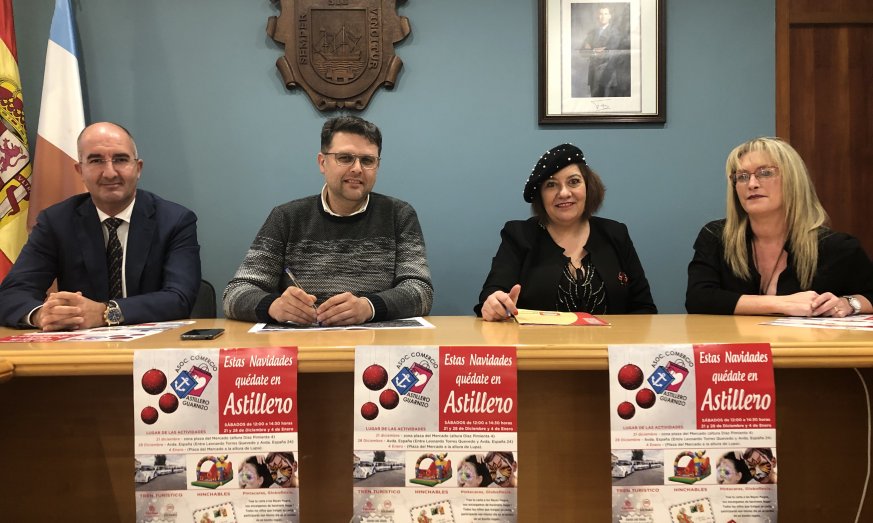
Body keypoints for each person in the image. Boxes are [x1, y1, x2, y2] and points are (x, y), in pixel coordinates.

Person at [223, 115, 433, 326]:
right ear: (322, 162)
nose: (357, 168)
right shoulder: (286, 218)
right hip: (303, 343)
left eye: (367, 160)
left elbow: (420, 291)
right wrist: (273, 306)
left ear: (377, 166)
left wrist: (369, 307)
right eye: (345, 158)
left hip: (375, 343)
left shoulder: (399, 215)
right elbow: (235, 293)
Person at [0, 122, 201, 330]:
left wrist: (105, 313)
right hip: (80, 346)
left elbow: (180, 298)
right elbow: (11, 294)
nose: (110, 173)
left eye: (121, 159)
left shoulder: (175, 220)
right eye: (96, 161)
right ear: (80, 170)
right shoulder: (56, 222)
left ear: (138, 168)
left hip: (154, 344)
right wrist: (41, 315)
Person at [686, 137, 873, 316]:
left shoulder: (836, 246)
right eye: (742, 177)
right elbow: (698, 299)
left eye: (765, 173)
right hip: (733, 339)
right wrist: (782, 304)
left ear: (793, 180)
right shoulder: (716, 236)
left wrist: (849, 303)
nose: (752, 184)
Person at [475, 143, 657, 320]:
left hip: (612, 341)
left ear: (588, 187)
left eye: (574, 182)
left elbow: (644, 308)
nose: (563, 193)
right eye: (551, 184)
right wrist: (494, 304)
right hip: (536, 341)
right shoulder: (519, 235)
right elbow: (492, 294)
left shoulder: (616, 233)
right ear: (540, 195)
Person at [581, 5, 630, 97]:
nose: (603, 16)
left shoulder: (615, 32)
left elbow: (607, 52)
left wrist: (592, 50)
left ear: (610, 16)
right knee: (594, 103)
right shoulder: (592, 33)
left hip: (607, 76)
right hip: (593, 76)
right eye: (600, 14)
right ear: (597, 15)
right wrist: (591, 50)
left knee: (608, 102)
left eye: (606, 14)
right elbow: (583, 51)